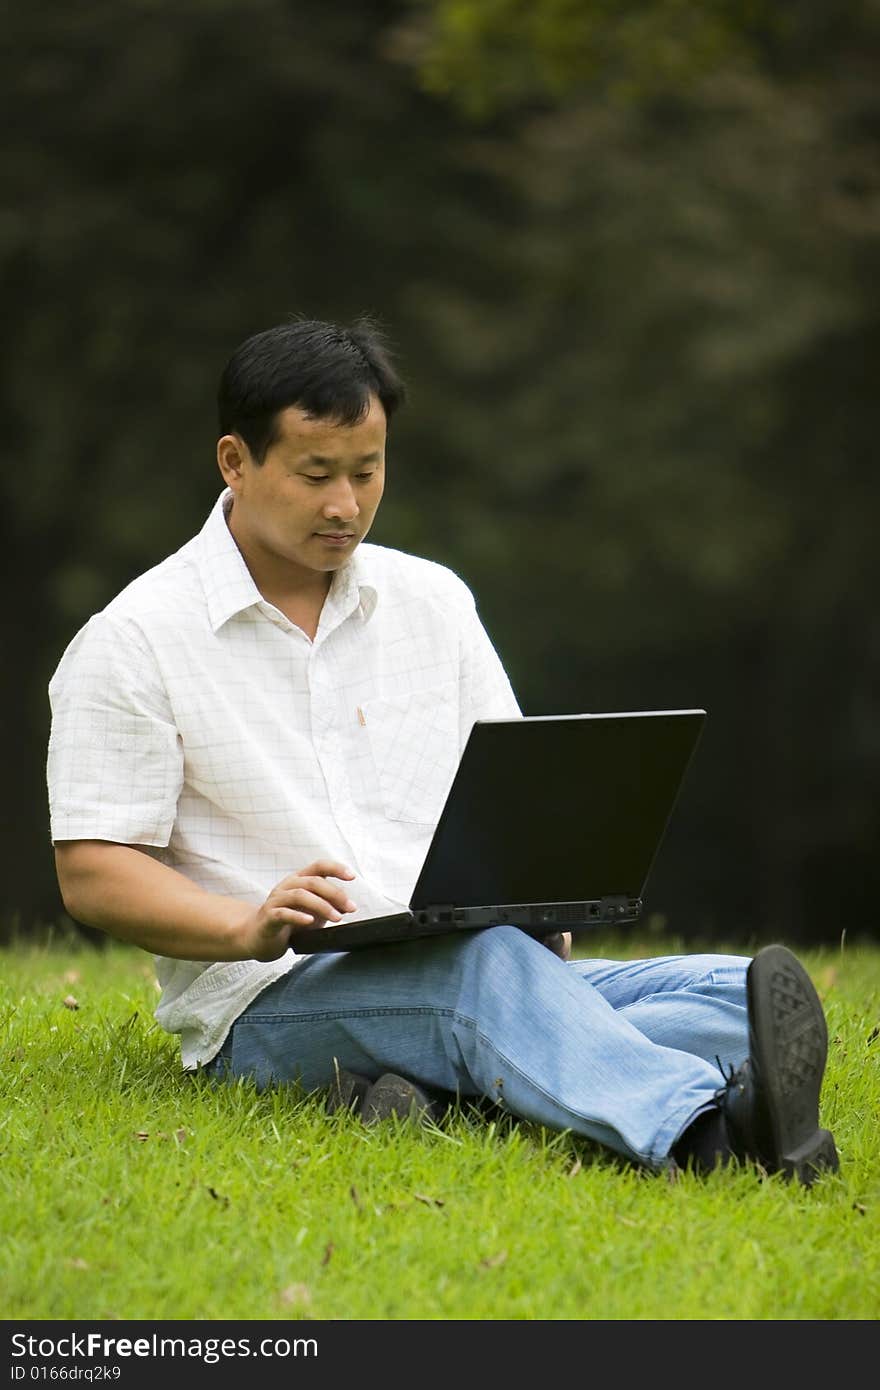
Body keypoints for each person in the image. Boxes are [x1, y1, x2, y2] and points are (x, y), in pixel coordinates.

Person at [46, 315, 839, 1186]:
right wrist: (246, 925)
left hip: (464, 955)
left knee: (732, 995)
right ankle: (705, 1134)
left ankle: (424, 1087)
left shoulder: (433, 600)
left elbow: (516, 794)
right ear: (236, 462)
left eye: (366, 470)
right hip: (271, 999)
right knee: (483, 979)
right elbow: (94, 869)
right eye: (316, 475)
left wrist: (540, 900)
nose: (345, 504)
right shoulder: (134, 638)